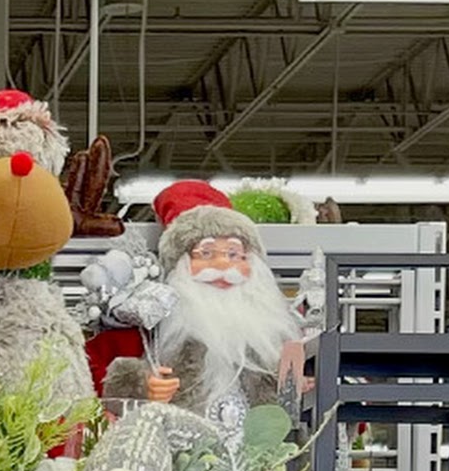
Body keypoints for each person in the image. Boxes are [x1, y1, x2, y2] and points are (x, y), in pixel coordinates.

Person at [96, 179, 300, 437]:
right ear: (180, 265)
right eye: (206, 254)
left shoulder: (274, 341)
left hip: (258, 459)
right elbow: (108, 398)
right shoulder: (149, 329)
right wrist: (143, 390)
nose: (223, 266)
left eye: (233, 254)